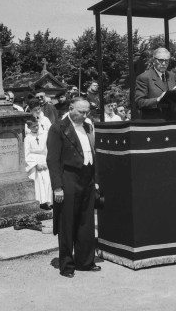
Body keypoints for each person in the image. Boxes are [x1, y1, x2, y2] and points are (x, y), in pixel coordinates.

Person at [46, 97, 100, 278]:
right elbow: (52, 160)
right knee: (67, 223)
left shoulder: (87, 126)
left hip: (87, 178)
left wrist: (96, 179)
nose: (85, 115)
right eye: (81, 112)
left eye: (87, 112)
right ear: (70, 108)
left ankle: (85, 261)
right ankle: (67, 265)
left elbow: (93, 153)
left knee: (86, 223)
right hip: (68, 179)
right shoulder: (58, 128)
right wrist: (57, 187)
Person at [135, 47, 176, 120]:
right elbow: (140, 102)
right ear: (154, 60)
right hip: (154, 122)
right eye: (161, 60)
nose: (164, 63)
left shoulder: (172, 76)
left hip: (173, 121)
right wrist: (158, 99)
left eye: (166, 61)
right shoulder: (144, 78)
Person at [24, 119, 53, 209]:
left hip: (44, 159)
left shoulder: (44, 135)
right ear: (29, 127)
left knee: (47, 181)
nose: (36, 128)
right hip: (34, 162)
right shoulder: (28, 138)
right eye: (34, 126)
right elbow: (26, 154)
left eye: (37, 126)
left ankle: (48, 201)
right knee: (38, 182)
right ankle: (40, 202)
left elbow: (48, 148)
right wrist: (36, 164)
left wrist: (47, 161)